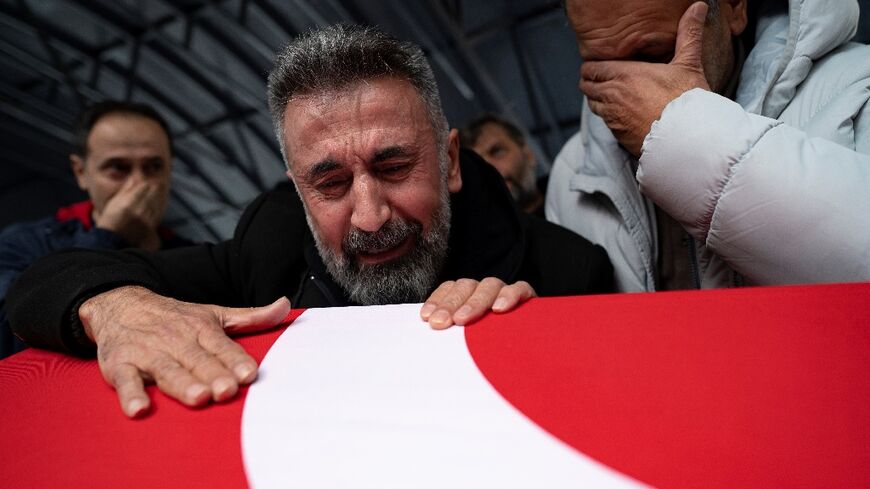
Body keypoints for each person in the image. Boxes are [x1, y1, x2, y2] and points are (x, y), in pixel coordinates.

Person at [6, 24, 613, 418]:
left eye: (395, 166)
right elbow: (40, 283)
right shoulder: (266, 246)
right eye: (330, 184)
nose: (370, 217)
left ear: (450, 160)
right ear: (297, 190)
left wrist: (527, 338)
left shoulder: (567, 271)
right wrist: (116, 308)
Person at [547, 0, 870, 292]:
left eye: (655, 54)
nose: (628, 86)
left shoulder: (858, 91)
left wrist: (683, 134)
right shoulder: (574, 168)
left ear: (734, 8)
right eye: (601, 63)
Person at [0, 101, 192, 358]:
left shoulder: (190, 254)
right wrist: (109, 235)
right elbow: (9, 336)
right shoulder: (28, 243)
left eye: (153, 167)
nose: (139, 183)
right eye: (117, 168)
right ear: (81, 172)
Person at [460, 114, 546, 216]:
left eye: (497, 152)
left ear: (528, 154)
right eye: (476, 163)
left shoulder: (566, 190)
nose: (488, 168)